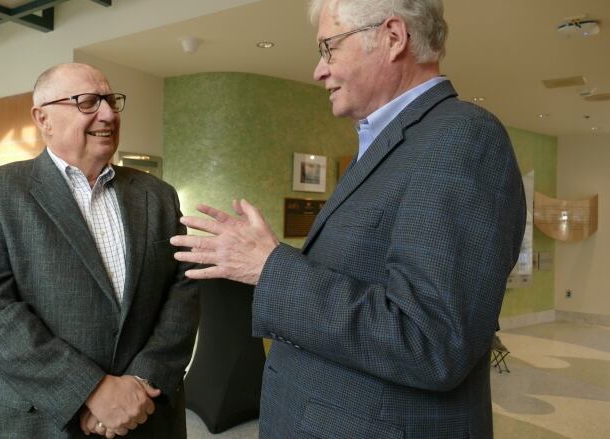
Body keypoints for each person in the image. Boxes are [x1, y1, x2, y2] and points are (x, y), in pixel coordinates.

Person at [170, 0, 526, 437]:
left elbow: (431, 340)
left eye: (328, 48)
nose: (319, 70)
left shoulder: (461, 138)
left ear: (393, 37)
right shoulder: (392, 145)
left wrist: (269, 267)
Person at [0, 62, 199, 439]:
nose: (108, 114)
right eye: (88, 102)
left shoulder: (158, 195)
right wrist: (91, 391)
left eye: (111, 101)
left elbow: (182, 291)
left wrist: (140, 382)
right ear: (43, 118)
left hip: (146, 412)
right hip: (35, 419)